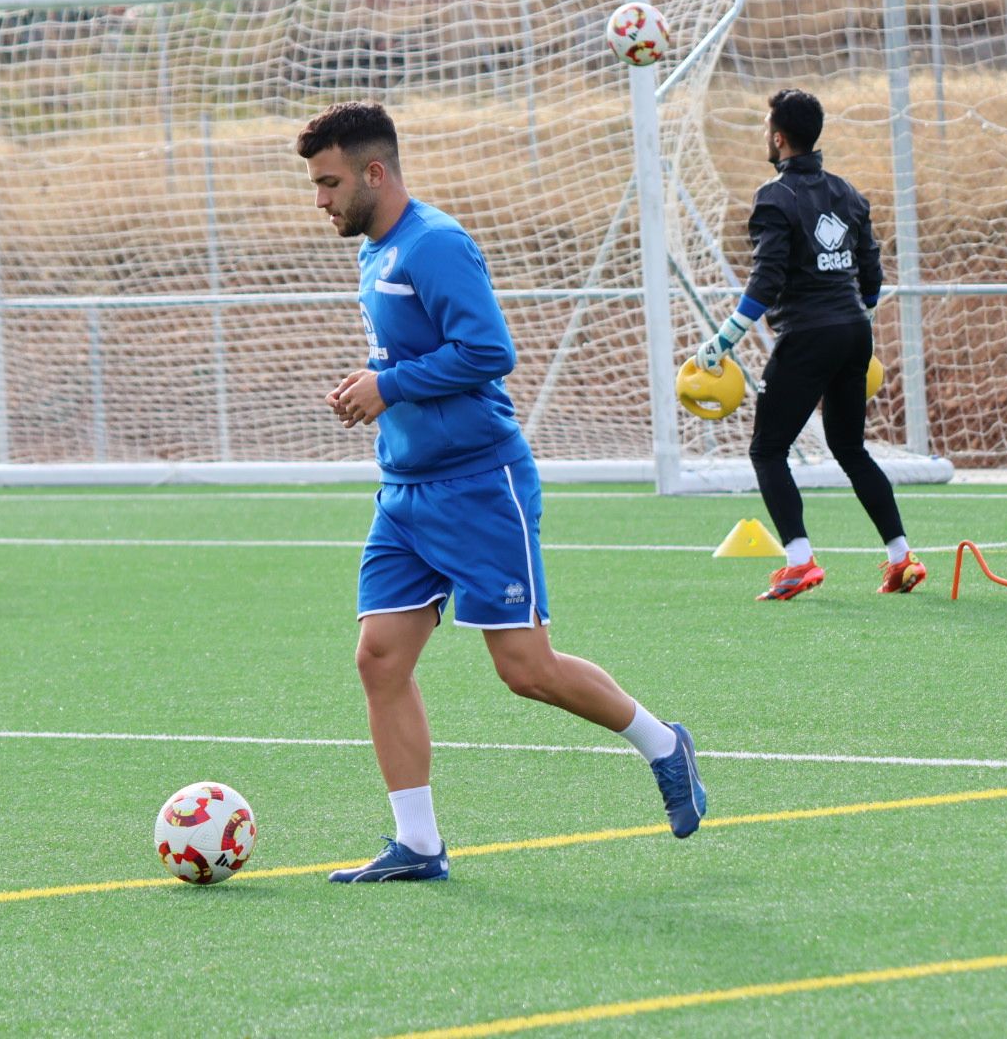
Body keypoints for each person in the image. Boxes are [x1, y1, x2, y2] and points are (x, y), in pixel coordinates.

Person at [298, 102, 705, 882]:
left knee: (525, 669)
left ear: (374, 173)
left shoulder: (436, 244)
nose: (320, 200)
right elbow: (413, 358)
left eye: (329, 183)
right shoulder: (375, 252)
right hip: (405, 490)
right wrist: (373, 389)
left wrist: (390, 385)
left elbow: (490, 351)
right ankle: (417, 844)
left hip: (480, 486)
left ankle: (663, 744)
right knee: (379, 658)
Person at [691, 88, 927, 601]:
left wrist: (723, 341)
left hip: (808, 336)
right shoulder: (848, 193)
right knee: (850, 449)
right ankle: (901, 557)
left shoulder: (774, 197)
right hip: (852, 332)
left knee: (768, 449)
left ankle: (799, 562)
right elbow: (871, 275)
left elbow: (767, 279)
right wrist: (855, 324)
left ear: (778, 136)